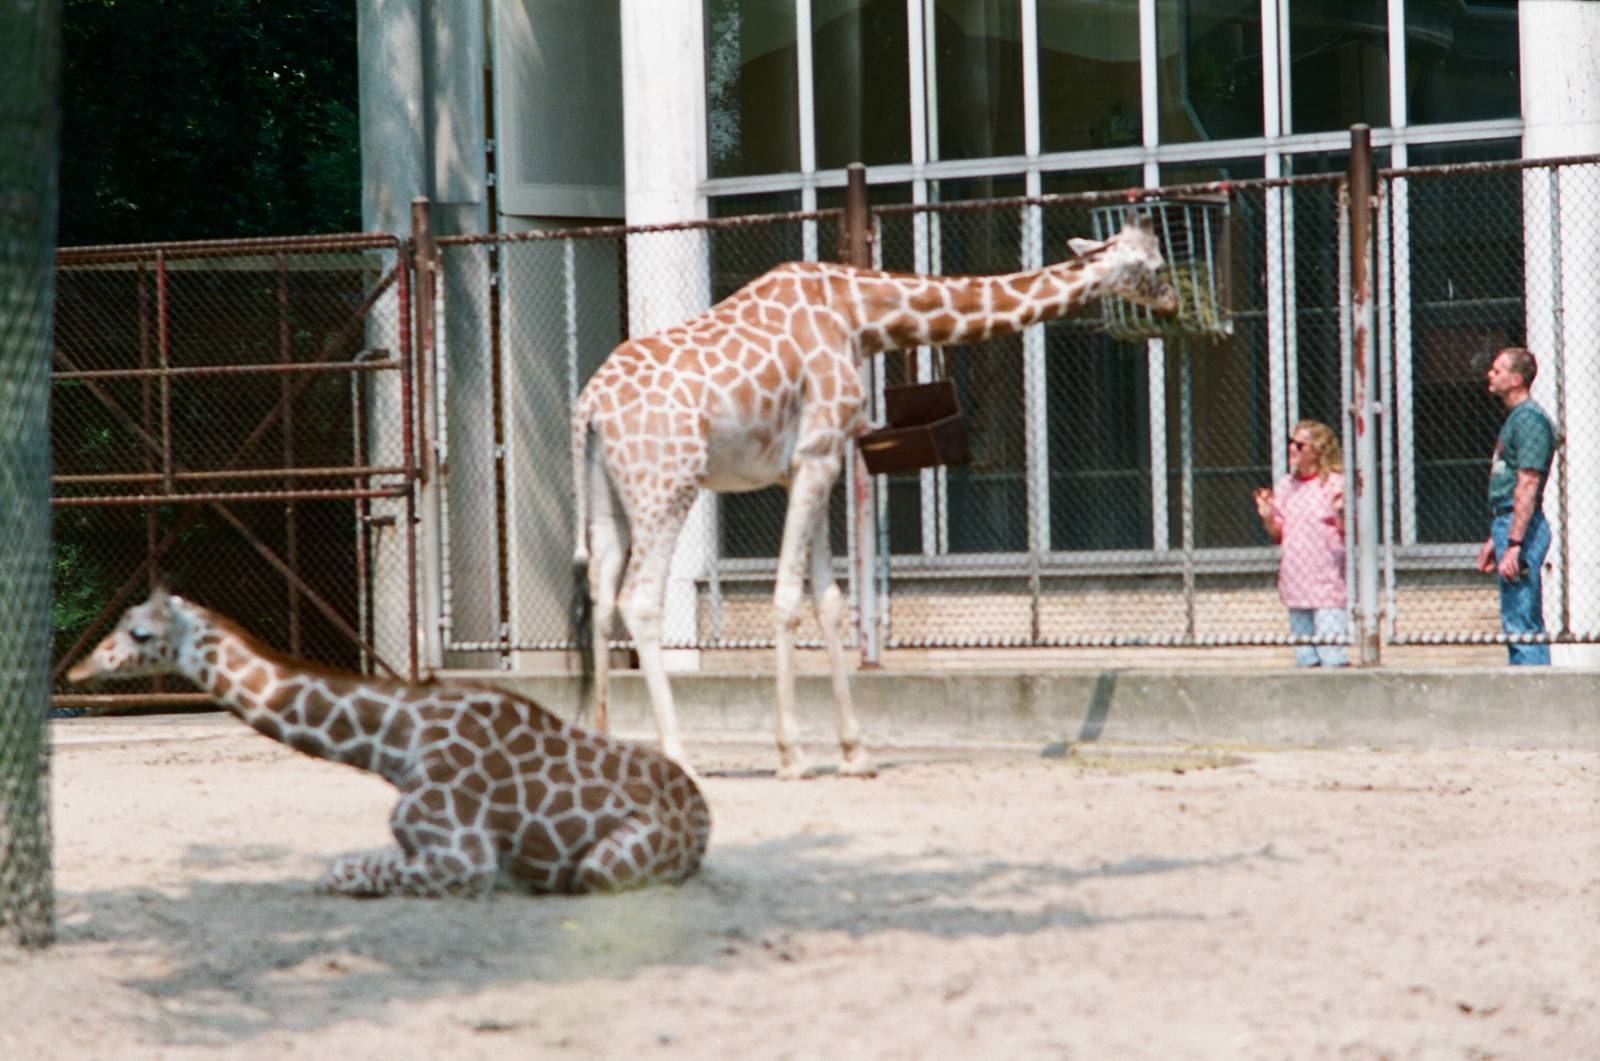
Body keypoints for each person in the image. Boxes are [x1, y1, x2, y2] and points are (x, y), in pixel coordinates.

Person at [1474, 346, 1557, 665]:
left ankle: (1535, 700)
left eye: (1497, 370)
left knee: (1521, 620)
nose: (1490, 375)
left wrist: (1514, 544)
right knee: (1515, 618)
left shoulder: (1530, 420)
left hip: (1521, 528)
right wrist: (1496, 540)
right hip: (1507, 525)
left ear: (1516, 379)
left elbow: (1528, 484)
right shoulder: (1516, 419)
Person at [1253, 420, 1349, 667]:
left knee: (1331, 655)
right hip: (1296, 581)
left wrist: (1341, 512)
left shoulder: (1335, 483)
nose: (1292, 449)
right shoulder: (1287, 485)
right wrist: (1267, 516)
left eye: (1299, 444)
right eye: (1291, 443)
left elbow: (1350, 531)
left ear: (1317, 450)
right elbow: (1279, 534)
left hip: (1327, 581)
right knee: (1306, 658)